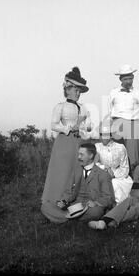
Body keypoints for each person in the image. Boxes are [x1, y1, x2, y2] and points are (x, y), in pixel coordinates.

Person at [40, 67, 94, 223]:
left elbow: (89, 125)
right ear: (68, 90)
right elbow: (54, 125)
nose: (78, 93)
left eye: (79, 91)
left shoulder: (83, 108)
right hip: (64, 142)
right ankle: (56, 200)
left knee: (77, 169)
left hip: (79, 142)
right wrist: (68, 128)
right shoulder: (60, 106)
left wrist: (84, 126)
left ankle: (73, 200)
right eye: (76, 90)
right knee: (63, 170)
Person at [108, 64, 139, 169]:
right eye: (125, 79)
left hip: (132, 124)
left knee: (132, 155)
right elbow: (111, 110)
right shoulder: (113, 92)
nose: (128, 81)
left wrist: (136, 125)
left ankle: (134, 180)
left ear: (133, 78)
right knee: (117, 153)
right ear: (120, 79)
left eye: (130, 78)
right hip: (117, 124)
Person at [69, 143, 116, 222]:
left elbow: (109, 198)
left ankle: (71, 218)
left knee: (96, 212)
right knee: (49, 206)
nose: (78, 157)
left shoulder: (103, 174)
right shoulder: (76, 171)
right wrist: (64, 201)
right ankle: (74, 216)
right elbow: (69, 190)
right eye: (78, 154)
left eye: (81, 155)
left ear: (90, 156)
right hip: (76, 205)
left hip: (92, 207)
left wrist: (96, 203)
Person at [94, 120, 133, 204]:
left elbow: (125, 168)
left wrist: (114, 174)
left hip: (119, 177)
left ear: (111, 135)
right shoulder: (97, 147)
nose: (103, 137)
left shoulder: (120, 147)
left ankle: (117, 207)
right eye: (101, 134)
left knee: (114, 184)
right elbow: (93, 164)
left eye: (106, 135)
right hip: (101, 175)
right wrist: (104, 168)